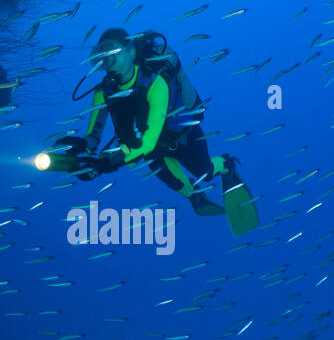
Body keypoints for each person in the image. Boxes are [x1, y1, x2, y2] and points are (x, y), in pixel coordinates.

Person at [79, 27, 259, 235]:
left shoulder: (155, 82)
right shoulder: (105, 91)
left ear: (131, 52)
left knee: (205, 173)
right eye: (102, 56)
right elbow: (93, 136)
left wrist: (108, 161)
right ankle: (195, 195)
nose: (108, 62)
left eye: (113, 54)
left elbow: (148, 141)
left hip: (180, 136)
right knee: (183, 188)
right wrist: (81, 146)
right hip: (148, 150)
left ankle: (226, 165)